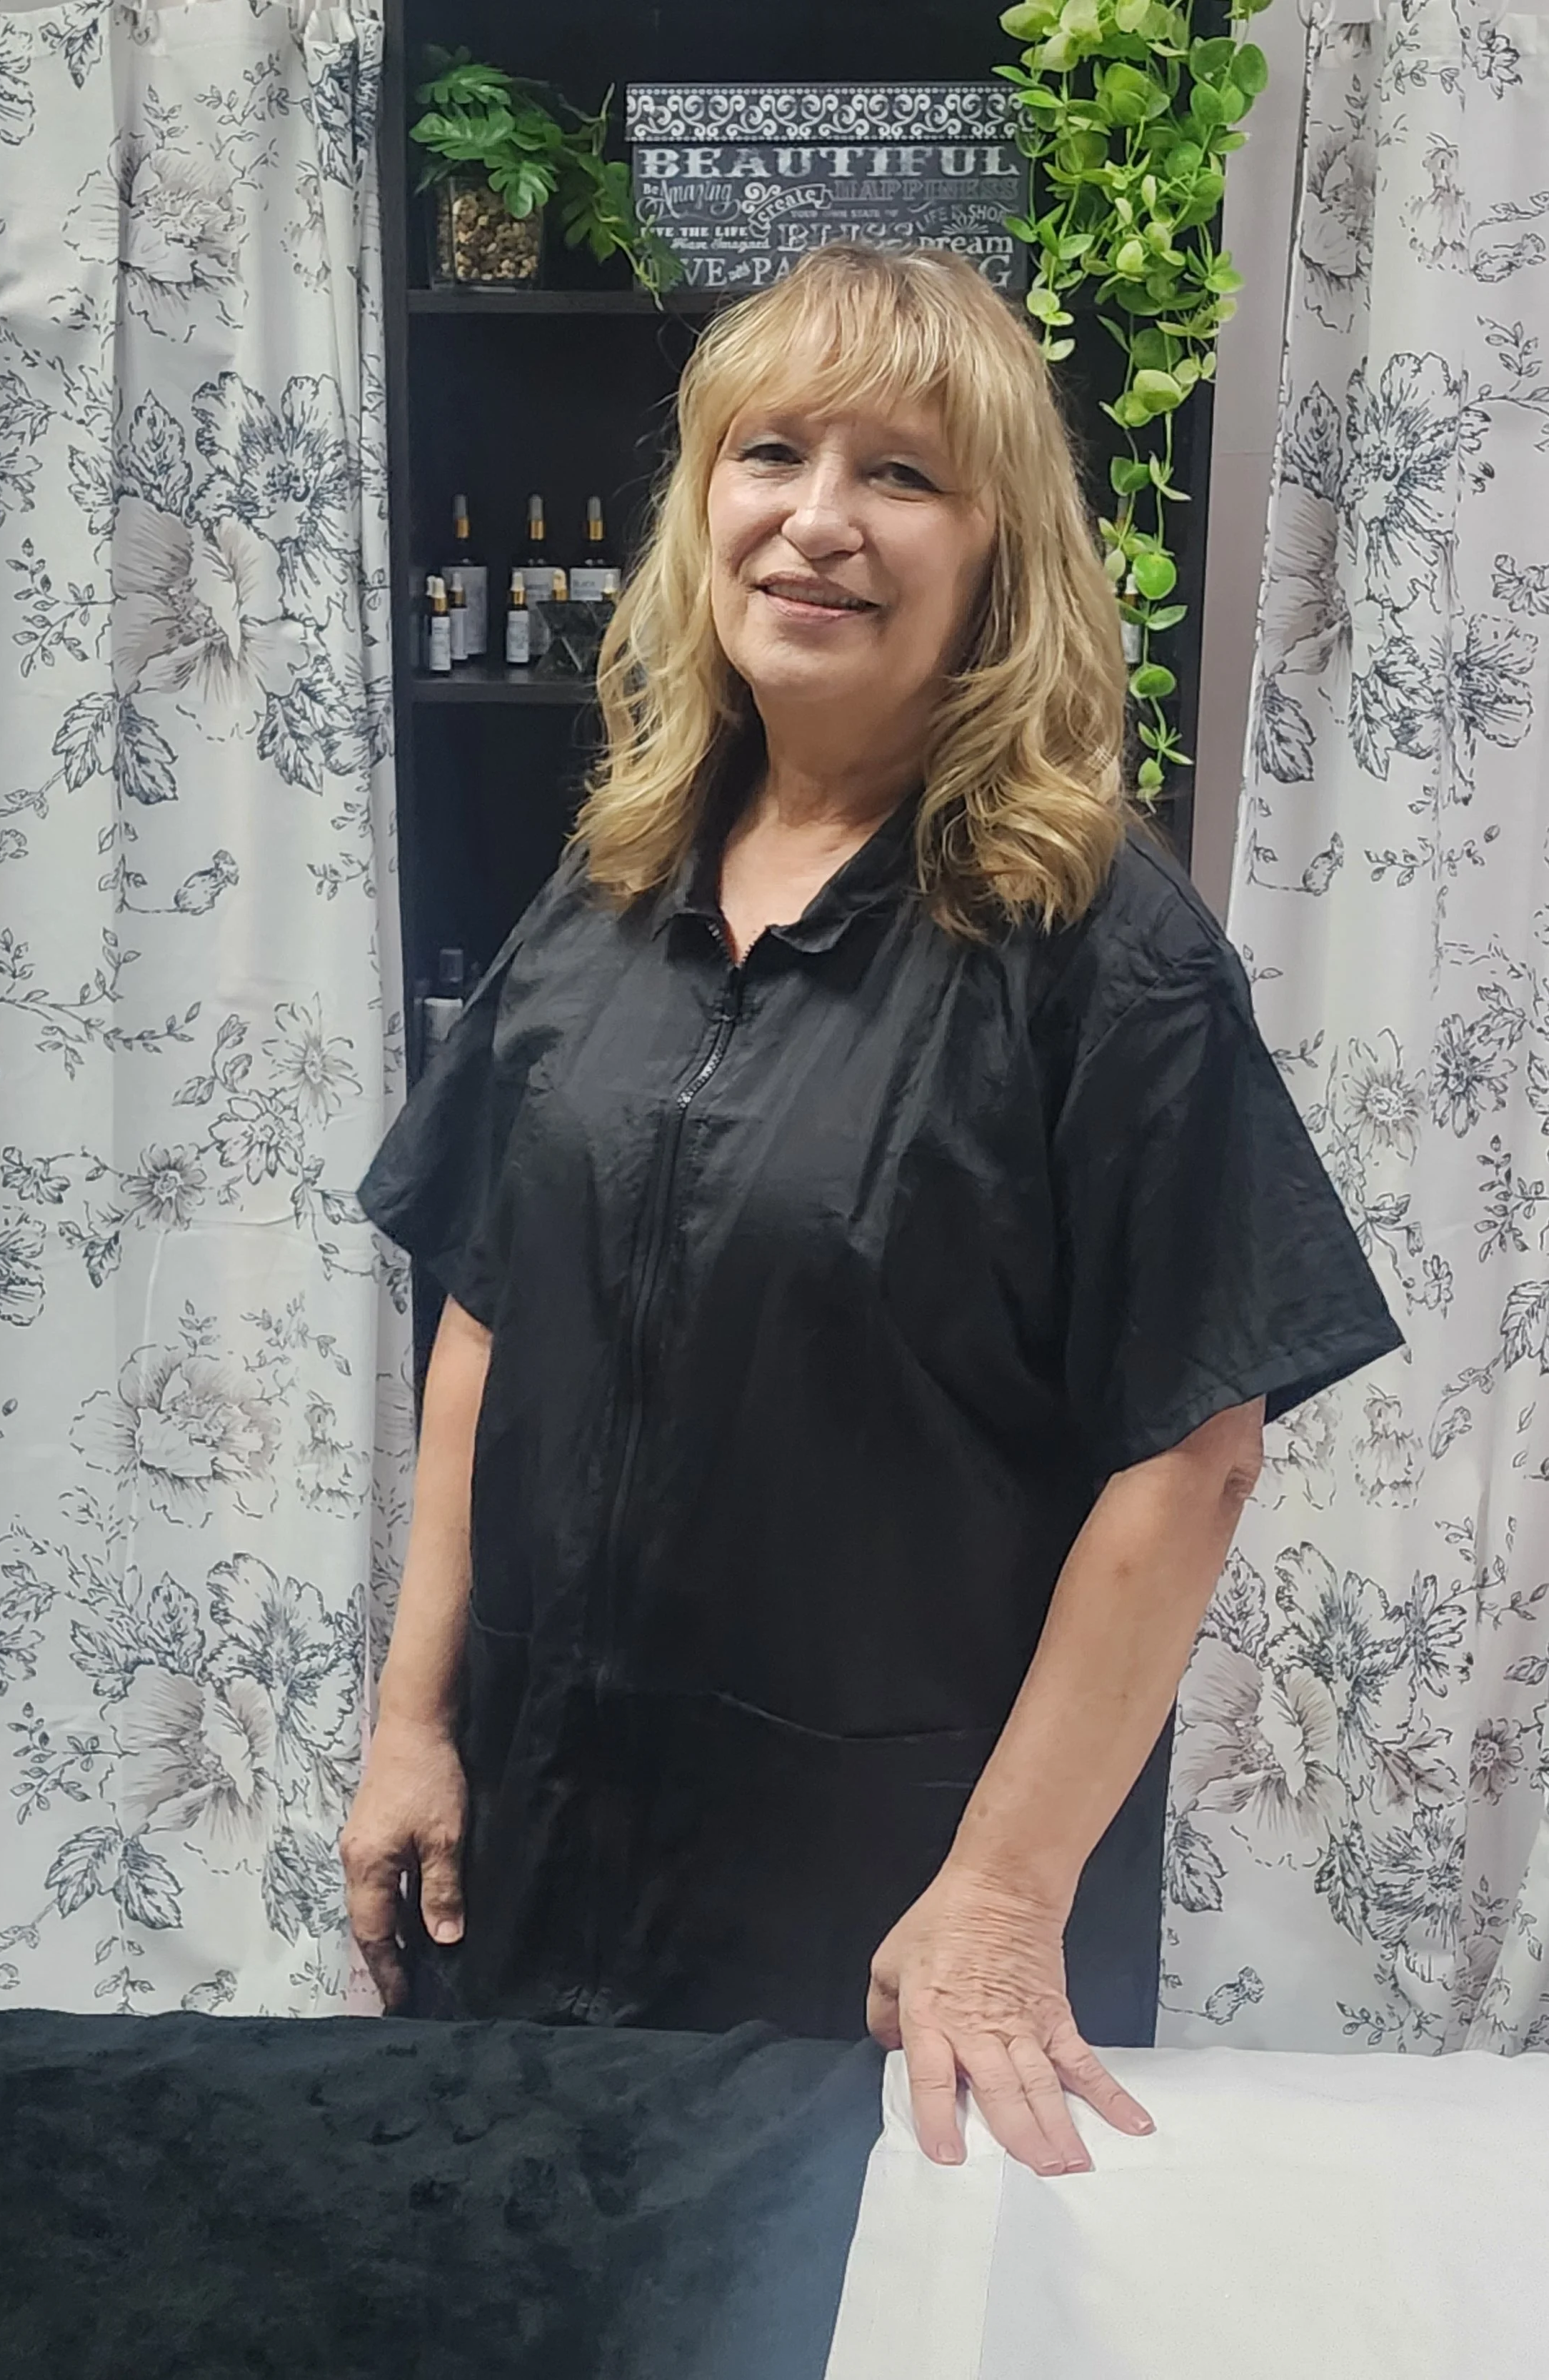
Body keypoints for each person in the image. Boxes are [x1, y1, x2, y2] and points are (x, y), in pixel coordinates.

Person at [345, 243, 1401, 2179]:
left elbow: (1192, 1455)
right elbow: (487, 1317)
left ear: (997, 551)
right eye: (770, 453)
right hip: (547, 1844)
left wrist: (998, 1897)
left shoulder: (1100, 951)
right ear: (700, 505)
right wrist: (413, 1723)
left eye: (902, 474)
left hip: (879, 1910)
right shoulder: (600, 895)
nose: (817, 521)